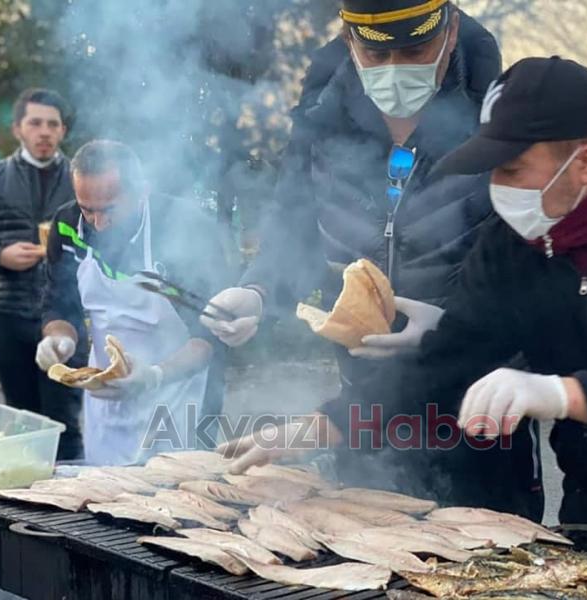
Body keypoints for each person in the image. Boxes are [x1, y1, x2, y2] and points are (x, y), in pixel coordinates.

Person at [226, 56, 587, 545]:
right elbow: (446, 358)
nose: (496, 188)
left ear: (586, 162)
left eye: (512, 168)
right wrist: (328, 423)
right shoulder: (514, 245)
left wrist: (567, 394)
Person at [203, 0, 543, 519]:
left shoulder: (501, 118)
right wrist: (259, 289)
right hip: (359, 412)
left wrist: (450, 328)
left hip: (477, 419)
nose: (393, 69)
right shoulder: (322, 114)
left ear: (450, 31)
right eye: (375, 52)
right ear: (349, 40)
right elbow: (292, 219)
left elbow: (530, 279)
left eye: (414, 49)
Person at [36, 140, 226, 466]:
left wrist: (153, 377)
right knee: (105, 501)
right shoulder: (67, 225)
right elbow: (59, 303)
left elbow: (211, 335)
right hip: (107, 404)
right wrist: (58, 338)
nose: (98, 223)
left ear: (142, 193)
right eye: (87, 209)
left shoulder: (184, 229)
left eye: (108, 209)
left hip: (179, 396)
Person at [0, 88, 82, 459]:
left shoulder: (79, 179)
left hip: (65, 314)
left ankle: (74, 503)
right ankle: (22, 508)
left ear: (62, 130)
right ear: (18, 129)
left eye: (53, 124)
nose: (44, 131)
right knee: (20, 421)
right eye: (35, 122)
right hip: (7, 313)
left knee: (65, 421)